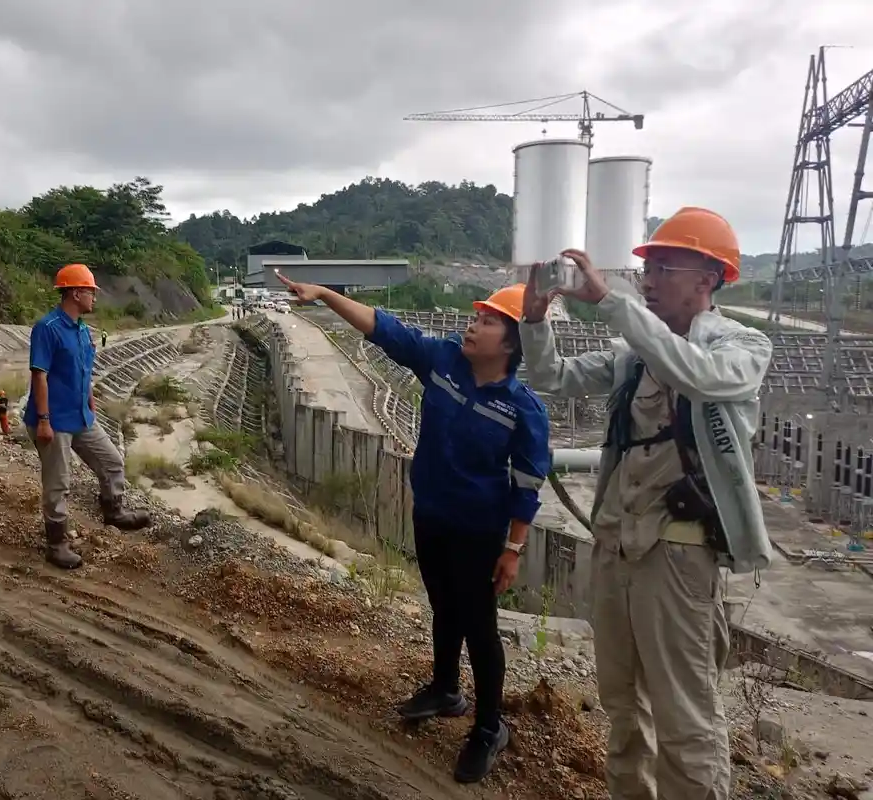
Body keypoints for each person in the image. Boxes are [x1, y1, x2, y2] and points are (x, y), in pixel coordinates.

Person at [517, 207, 773, 800]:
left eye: (662, 269)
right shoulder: (633, 354)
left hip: (677, 558)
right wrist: (535, 321)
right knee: (623, 710)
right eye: (646, 271)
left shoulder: (741, 345)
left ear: (706, 279)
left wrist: (613, 303)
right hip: (617, 550)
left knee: (685, 718)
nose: (649, 281)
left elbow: (698, 375)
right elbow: (553, 375)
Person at [275, 271, 551, 785]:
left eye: (488, 321)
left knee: (479, 627)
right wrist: (327, 294)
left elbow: (528, 484)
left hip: (477, 531)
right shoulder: (442, 362)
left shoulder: (523, 410)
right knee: (443, 605)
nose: (473, 325)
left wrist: (513, 548)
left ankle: (489, 727)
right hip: (431, 515)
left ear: (513, 343)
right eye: (476, 316)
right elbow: (386, 330)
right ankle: (446, 689)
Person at [24, 263, 152, 569]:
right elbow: (39, 376)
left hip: (81, 415)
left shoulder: (83, 330)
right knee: (58, 482)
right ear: (75, 293)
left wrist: (90, 401)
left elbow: (84, 371)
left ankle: (114, 512)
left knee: (112, 462)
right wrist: (43, 420)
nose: (94, 297)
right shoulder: (47, 328)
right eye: (90, 291)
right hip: (54, 420)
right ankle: (56, 544)